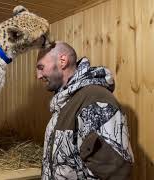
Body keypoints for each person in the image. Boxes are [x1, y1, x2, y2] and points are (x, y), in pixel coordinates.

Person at [36, 42, 134, 180]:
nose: (38, 76)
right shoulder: (67, 102)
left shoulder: (94, 101)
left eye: (41, 67)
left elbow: (113, 173)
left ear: (62, 61)